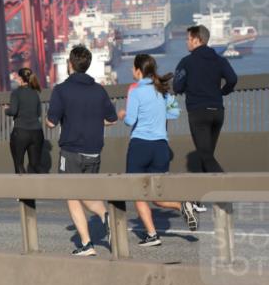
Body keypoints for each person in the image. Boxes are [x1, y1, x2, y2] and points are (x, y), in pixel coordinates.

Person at [46, 45, 119, 256]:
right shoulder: (99, 90)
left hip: (71, 151)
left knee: (72, 194)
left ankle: (90, 240)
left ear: (70, 64)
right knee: (85, 192)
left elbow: (52, 122)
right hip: (94, 151)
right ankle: (103, 219)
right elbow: (111, 120)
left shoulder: (61, 90)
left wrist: (48, 120)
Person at [119, 54, 196, 246]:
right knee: (156, 195)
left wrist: (122, 114)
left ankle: (152, 235)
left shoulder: (136, 91)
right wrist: (158, 113)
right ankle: (182, 204)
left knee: (137, 193)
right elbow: (175, 113)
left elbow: (130, 120)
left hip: (140, 147)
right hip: (161, 146)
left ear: (138, 70)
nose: (131, 71)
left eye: (132, 68)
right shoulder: (163, 90)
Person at [173, 24, 238, 179]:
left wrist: (183, 88)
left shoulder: (186, 62)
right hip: (217, 112)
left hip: (198, 113)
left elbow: (177, 86)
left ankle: (226, 191)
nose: (186, 42)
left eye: (188, 39)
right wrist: (223, 92)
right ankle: (208, 198)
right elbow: (233, 79)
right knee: (207, 155)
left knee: (206, 156)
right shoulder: (219, 60)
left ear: (197, 40)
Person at [5, 68, 46, 174]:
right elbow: (38, 113)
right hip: (37, 132)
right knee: (35, 165)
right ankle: (46, 185)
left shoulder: (16, 93)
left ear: (20, 78)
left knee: (19, 164)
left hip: (21, 132)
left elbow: (13, 111)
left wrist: (6, 110)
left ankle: (22, 189)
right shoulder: (35, 93)